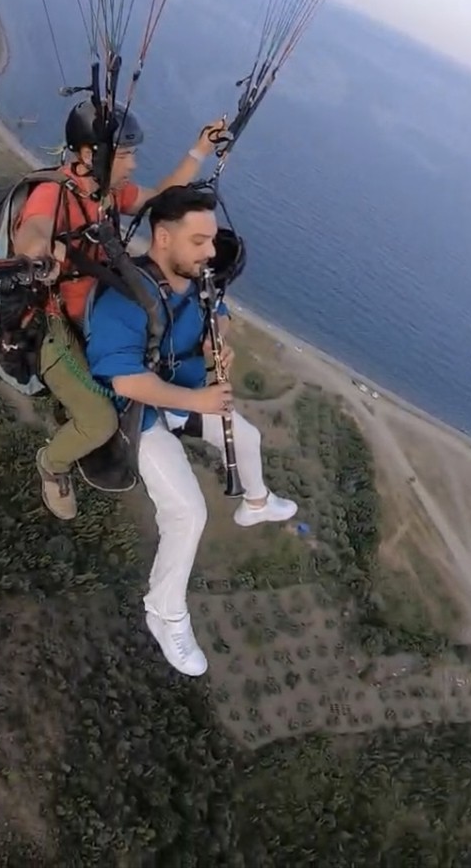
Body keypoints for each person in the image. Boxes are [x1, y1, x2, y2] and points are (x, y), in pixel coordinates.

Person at [85, 185, 297, 677]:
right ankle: (164, 612)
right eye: (199, 241)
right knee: (187, 512)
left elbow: (217, 320)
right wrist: (196, 400)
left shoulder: (197, 282)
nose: (210, 252)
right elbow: (123, 378)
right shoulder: (125, 297)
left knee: (247, 439)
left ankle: (256, 503)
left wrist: (215, 345)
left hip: (178, 391)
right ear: (163, 238)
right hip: (136, 410)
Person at [12, 100, 227, 521]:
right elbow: (33, 230)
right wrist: (40, 252)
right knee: (100, 421)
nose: (132, 163)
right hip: (59, 327)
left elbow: (158, 198)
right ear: (91, 154)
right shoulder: (53, 194)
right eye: (125, 155)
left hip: (102, 315)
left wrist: (200, 149)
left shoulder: (108, 194)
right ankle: (52, 466)